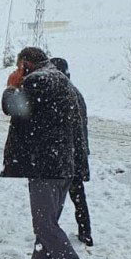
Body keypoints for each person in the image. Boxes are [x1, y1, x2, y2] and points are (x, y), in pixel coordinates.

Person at [2, 47, 97, 259]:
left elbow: (13, 107)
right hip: (62, 166)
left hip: (47, 166)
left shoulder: (40, 80)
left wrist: (12, 86)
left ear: (25, 64)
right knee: (47, 226)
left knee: (45, 226)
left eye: (18, 66)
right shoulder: (58, 79)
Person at [50, 57, 93, 246]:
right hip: (77, 152)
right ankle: (85, 231)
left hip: (65, 154)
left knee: (53, 195)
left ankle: (49, 232)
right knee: (77, 194)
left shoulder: (61, 95)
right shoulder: (75, 93)